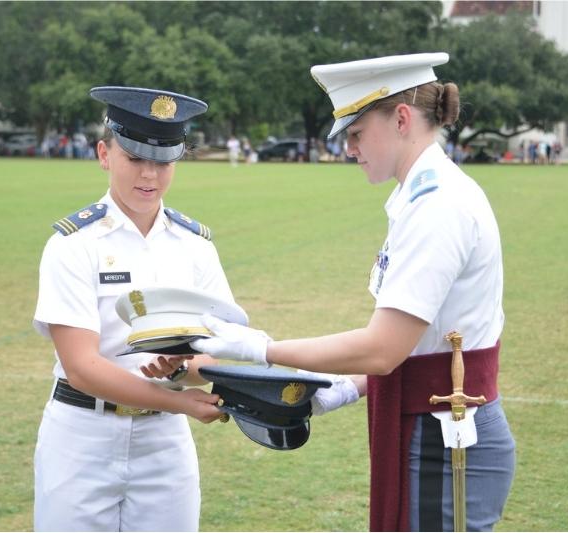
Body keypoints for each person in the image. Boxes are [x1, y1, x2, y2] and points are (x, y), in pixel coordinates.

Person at [191, 53, 516, 532]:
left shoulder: (437, 206)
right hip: (434, 425)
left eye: (357, 133)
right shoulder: (424, 195)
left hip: (443, 441)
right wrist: (347, 385)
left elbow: (384, 348)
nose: (348, 148)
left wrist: (258, 349)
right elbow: (414, 347)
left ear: (402, 118)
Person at [32, 86, 234, 532]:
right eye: (135, 158)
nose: (150, 175)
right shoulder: (72, 246)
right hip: (82, 436)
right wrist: (178, 401)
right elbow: (82, 367)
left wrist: (183, 371)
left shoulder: (196, 247)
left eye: (163, 161)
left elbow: (213, 354)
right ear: (105, 154)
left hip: (163, 441)